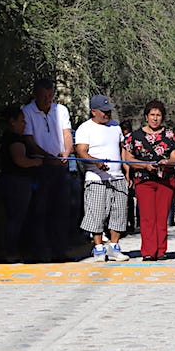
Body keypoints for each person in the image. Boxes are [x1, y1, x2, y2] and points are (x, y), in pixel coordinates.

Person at [22, 78, 73, 262]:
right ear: (36, 95)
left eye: (50, 96)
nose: (47, 100)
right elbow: (29, 140)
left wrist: (66, 152)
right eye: (44, 96)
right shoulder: (27, 111)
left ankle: (60, 249)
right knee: (40, 210)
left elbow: (67, 134)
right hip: (41, 167)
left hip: (60, 166)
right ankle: (40, 251)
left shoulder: (61, 110)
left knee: (61, 210)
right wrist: (47, 157)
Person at [122, 100, 175, 261]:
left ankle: (161, 251)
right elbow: (129, 158)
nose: (155, 118)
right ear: (146, 116)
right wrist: (145, 165)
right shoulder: (135, 136)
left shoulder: (170, 134)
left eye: (158, 115)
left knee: (162, 217)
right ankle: (148, 251)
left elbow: (174, 156)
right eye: (152, 115)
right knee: (147, 217)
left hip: (165, 180)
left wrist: (166, 162)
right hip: (144, 180)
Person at [75, 94, 129, 262]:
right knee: (96, 213)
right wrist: (96, 163)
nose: (107, 114)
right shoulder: (85, 128)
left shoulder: (115, 127)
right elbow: (81, 151)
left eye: (109, 111)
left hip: (117, 177)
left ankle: (114, 246)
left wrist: (127, 170)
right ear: (93, 112)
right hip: (96, 178)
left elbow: (122, 150)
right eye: (104, 111)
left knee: (119, 213)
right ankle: (98, 248)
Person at [0, 105, 43, 262]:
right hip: (17, 182)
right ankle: (11, 251)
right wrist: (35, 162)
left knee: (15, 217)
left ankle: (14, 250)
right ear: (12, 122)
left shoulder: (8, 137)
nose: (24, 124)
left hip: (14, 181)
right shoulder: (14, 139)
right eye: (22, 121)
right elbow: (20, 160)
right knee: (16, 217)